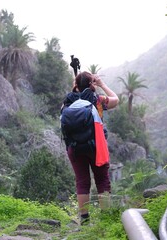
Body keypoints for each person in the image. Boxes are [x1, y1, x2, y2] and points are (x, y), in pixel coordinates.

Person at [61, 71, 119, 225]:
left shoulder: (67, 102)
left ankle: (84, 219)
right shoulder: (97, 100)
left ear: (76, 85)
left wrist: (76, 87)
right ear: (91, 84)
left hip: (74, 147)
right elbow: (116, 100)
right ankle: (106, 218)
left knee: (82, 181)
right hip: (96, 146)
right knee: (102, 180)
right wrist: (101, 84)